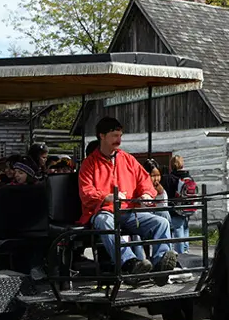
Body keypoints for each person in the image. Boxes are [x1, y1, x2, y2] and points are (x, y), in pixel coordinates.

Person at [77, 117, 177, 284]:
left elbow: (144, 180)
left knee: (161, 222)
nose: (119, 140)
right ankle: (129, 263)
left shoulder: (128, 159)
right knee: (103, 221)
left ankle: (160, 265)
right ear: (102, 136)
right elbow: (86, 193)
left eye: (120, 135)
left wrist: (146, 193)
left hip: (128, 212)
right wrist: (106, 197)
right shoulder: (89, 164)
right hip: (104, 211)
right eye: (115, 135)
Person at [164, 154, 196, 253]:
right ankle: (186, 250)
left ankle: (180, 253)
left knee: (178, 229)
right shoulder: (188, 177)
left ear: (171, 165)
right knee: (185, 227)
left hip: (175, 208)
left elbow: (168, 193)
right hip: (188, 207)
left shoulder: (170, 178)